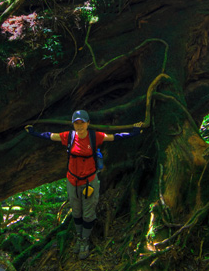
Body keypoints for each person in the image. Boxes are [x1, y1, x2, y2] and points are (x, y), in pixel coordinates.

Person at [25, 110, 142, 260]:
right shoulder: (69, 136)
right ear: (73, 124)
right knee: (76, 212)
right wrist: (33, 133)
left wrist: (135, 132)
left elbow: (114, 137)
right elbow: (50, 136)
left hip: (89, 181)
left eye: (82, 123)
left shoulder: (95, 136)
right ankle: (79, 237)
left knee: (88, 213)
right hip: (72, 181)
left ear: (88, 123)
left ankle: (84, 241)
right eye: (76, 123)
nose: (79, 126)